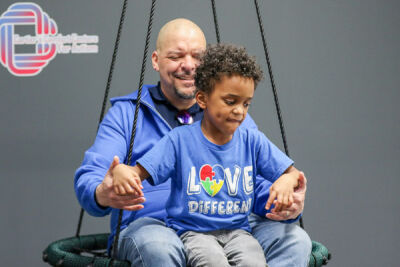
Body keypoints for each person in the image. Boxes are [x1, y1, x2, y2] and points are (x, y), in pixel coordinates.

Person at [74, 18, 311, 267]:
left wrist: (283, 202)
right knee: (159, 247)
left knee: (294, 240)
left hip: (230, 224)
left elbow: (253, 182)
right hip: (152, 225)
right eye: (176, 56)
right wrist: (102, 192)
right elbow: (94, 176)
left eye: (197, 56)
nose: (188, 66)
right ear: (156, 60)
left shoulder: (232, 115)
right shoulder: (127, 114)